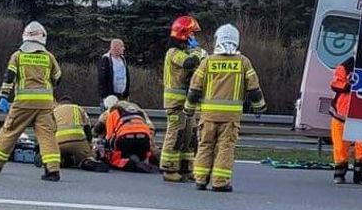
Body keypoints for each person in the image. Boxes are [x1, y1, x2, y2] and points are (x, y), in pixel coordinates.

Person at [186, 23, 266, 193]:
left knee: (205, 145)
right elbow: (254, 89)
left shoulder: (207, 62)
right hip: (230, 118)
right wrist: (260, 108)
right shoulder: (243, 62)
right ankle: (220, 182)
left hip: (207, 116)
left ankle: (200, 180)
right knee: (225, 147)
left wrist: (189, 109)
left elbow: (194, 90)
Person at [0, 21, 63, 181]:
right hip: (45, 104)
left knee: (10, 130)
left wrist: (3, 96)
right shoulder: (49, 57)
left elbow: (9, 77)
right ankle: (53, 170)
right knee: (47, 135)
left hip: (23, 103)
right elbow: (58, 77)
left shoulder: (18, 56)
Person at [159, 14, 205, 182]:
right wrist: (197, 52)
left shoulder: (187, 52)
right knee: (176, 134)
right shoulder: (173, 53)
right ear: (184, 34)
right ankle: (169, 169)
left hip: (187, 103)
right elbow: (189, 63)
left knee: (190, 135)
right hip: (175, 103)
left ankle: (186, 167)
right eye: (192, 34)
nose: (194, 38)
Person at [330, 54, 362, 185]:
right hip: (341, 114)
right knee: (340, 147)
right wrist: (351, 85)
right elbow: (335, 84)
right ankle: (339, 175)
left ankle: (360, 176)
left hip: (361, 114)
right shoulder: (347, 65)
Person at [94, 96, 157, 172]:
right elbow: (151, 128)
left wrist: (106, 149)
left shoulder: (111, 111)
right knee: (146, 152)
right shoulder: (137, 108)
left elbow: (109, 136)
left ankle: (128, 163)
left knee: (114, 156)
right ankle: (149, 160)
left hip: (125, 139)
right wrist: (150, 146)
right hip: (144, 138)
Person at [52, 99, 107, 170]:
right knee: (87, 157)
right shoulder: (78, 108)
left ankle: (61, 161)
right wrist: (88, 145)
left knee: (57, 157)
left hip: (59, 142)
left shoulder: (54, 111)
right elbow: (87, 129)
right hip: (78, 140)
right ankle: (87, 162)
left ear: (59, 104)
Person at [96, 38, 130, 107]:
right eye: (121, 46)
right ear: (115, 47)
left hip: (122, 95)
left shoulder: (122, 59)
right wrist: (106, 96)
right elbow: (102, 79)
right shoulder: (106, 59)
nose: (123, 48)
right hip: (110, 97)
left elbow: (126, 75)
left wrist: (126, 93)